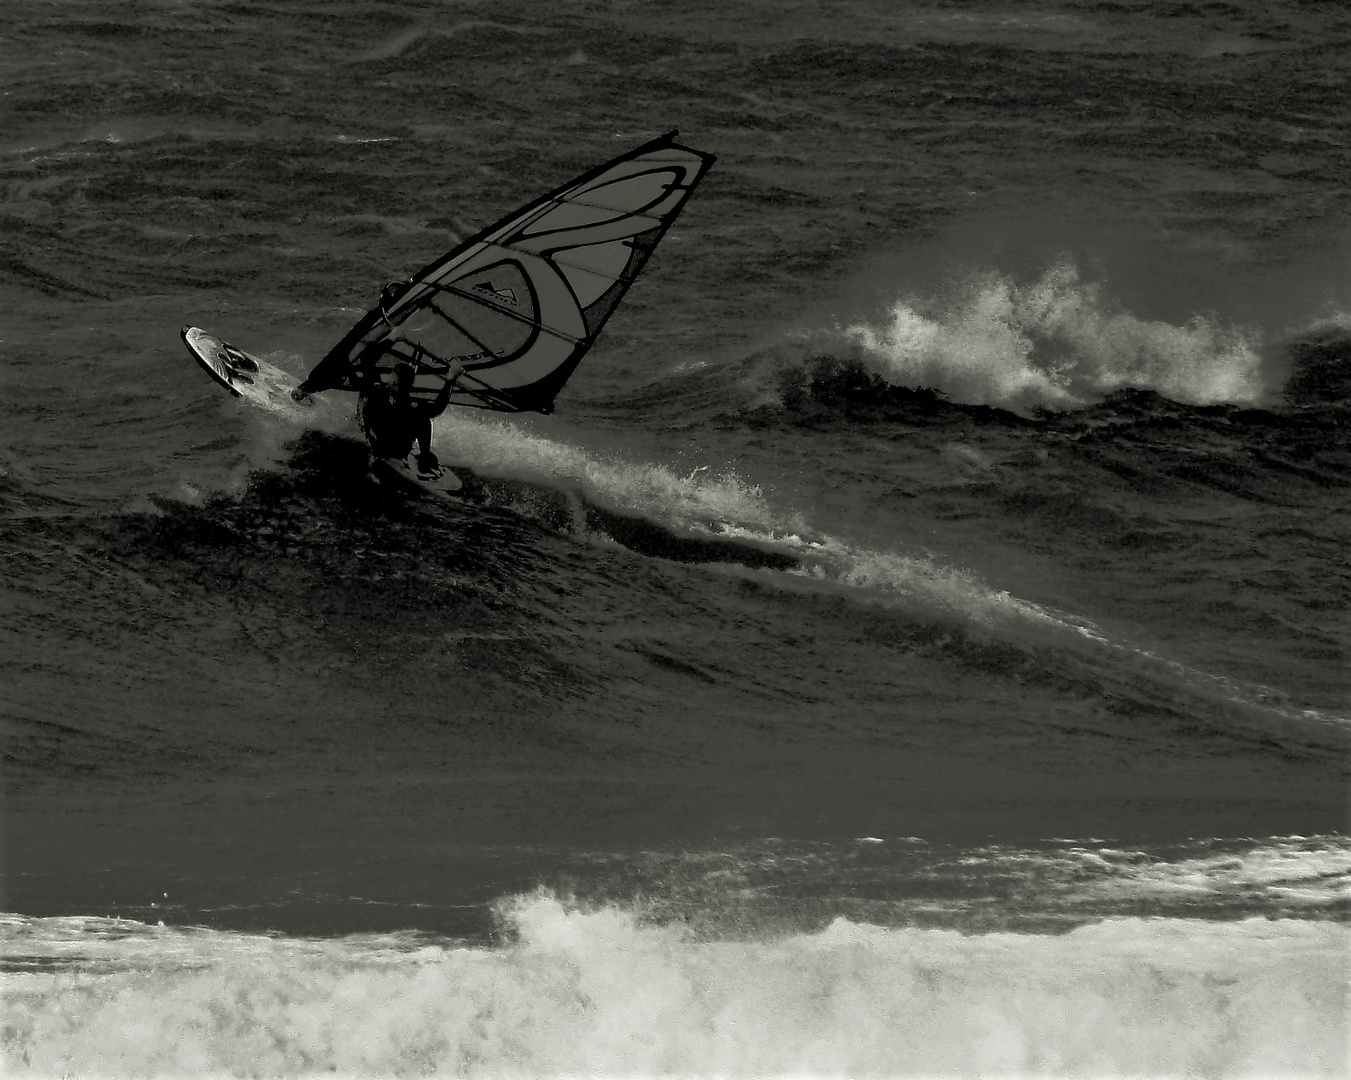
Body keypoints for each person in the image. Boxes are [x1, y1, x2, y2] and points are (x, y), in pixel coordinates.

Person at [359, 359, 460, 476]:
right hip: (399, 449)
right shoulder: (414, 407)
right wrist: (451, 378)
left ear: (394, 382)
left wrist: (393, 339)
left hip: (376, 445)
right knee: (423, 420)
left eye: (391, 376)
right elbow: (438, 407)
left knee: (368, 397)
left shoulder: (378, 393)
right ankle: (424, 456)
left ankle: (368, 439)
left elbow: (366, 358)